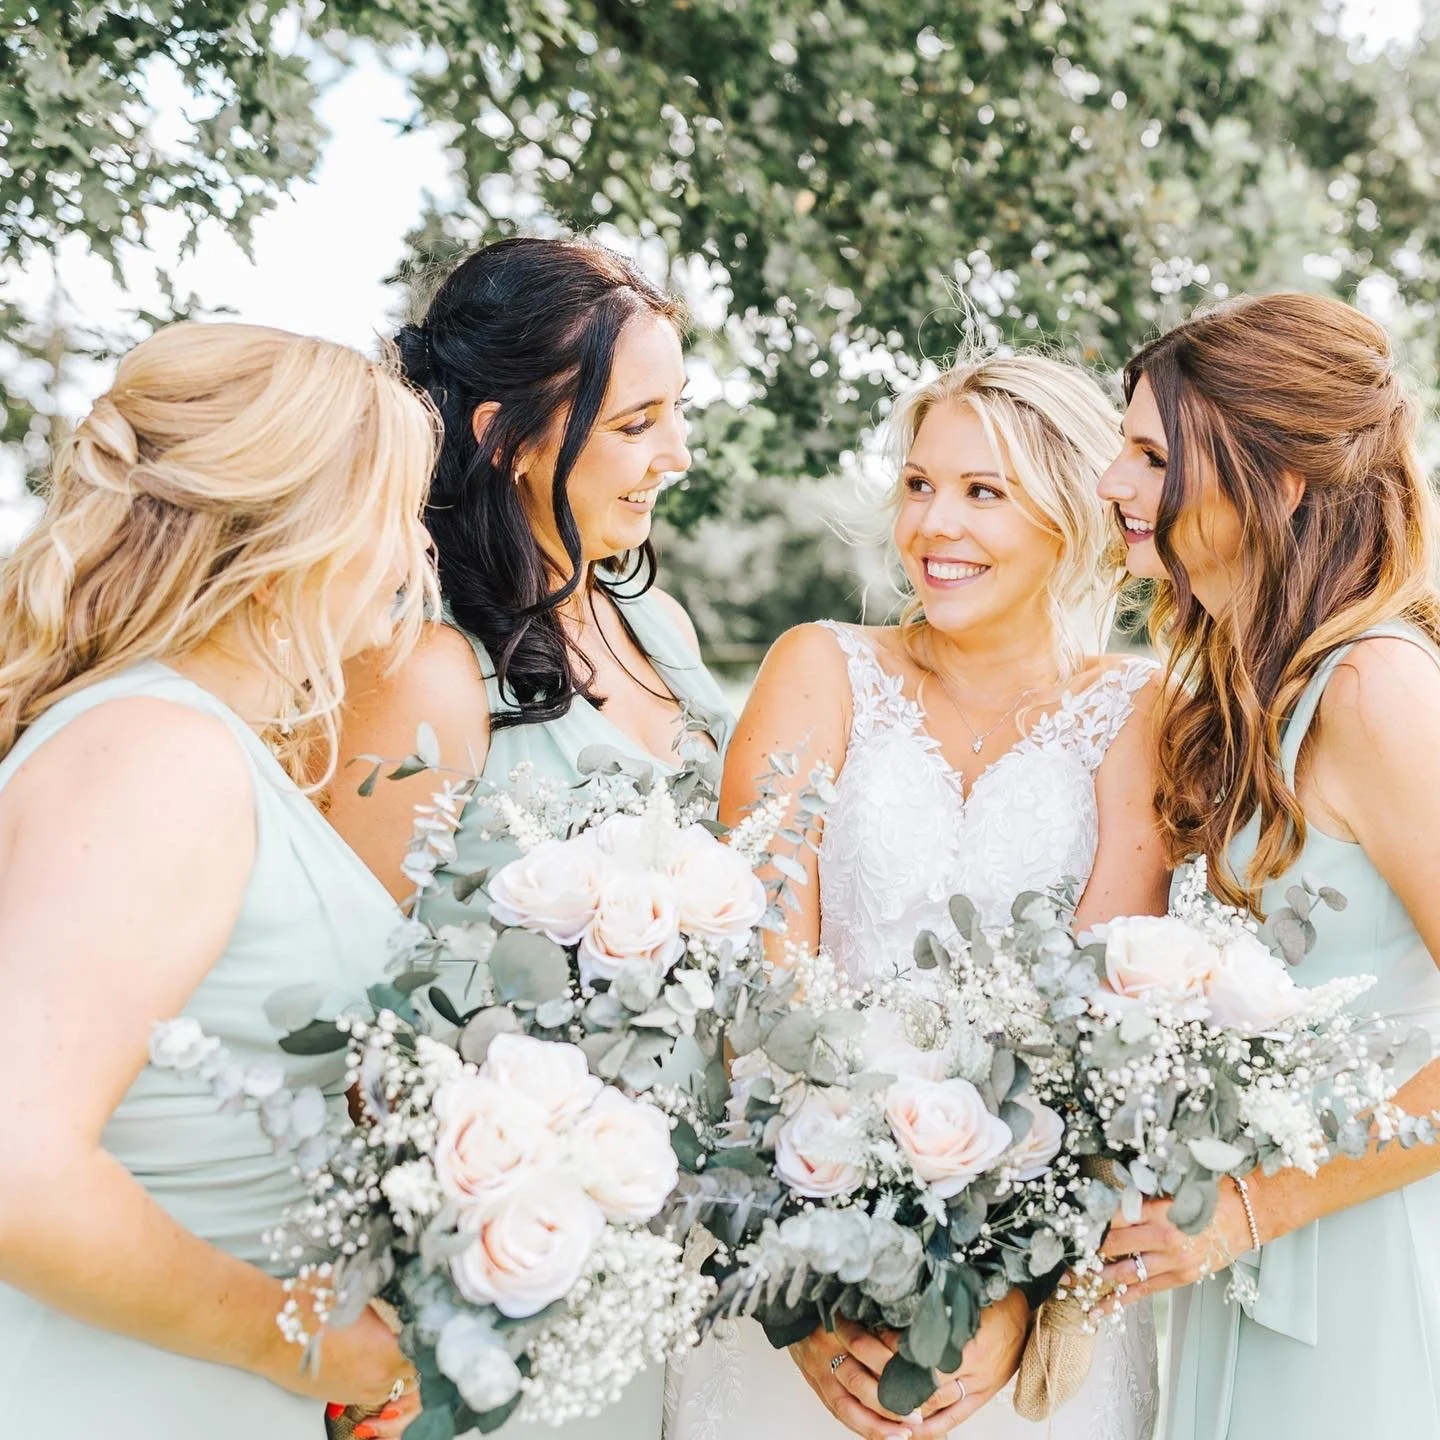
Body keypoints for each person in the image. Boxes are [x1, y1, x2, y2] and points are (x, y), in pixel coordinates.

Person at [668, 353, 1170, 1440]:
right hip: (804, 1233)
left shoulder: (1142, 712)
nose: (934, 524)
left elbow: (1109, 1028)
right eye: (917, 483)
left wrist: (1021, 1292)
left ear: (1075, 512)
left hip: (1027, 1272)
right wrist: (796, 1290)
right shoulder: (820, 668)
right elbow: (750, 1000)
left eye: (983, 493)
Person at [326, 237, 733, 1440]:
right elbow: (349, 996)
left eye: (679, 414)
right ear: (507, 434)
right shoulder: (423, 667)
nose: (678, 455)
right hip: (497, 1264)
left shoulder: (656, 621)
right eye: (637, 424)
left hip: (671, 1238)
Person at [0, 323, 439, 1439]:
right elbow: (20, 1174)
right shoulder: (157, 753)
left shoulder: (202, 743)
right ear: (299, 525)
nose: (410, 556)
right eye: (395, 512)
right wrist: (308, 1342)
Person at [1096, 290, 1440, 1440]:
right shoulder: (1245, 704)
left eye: (1151, 454)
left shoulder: (1375, 689)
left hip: (1357, 1258)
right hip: (1243, 1254)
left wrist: (1253, 1207)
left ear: (1279, 480)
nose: (1113, 485)